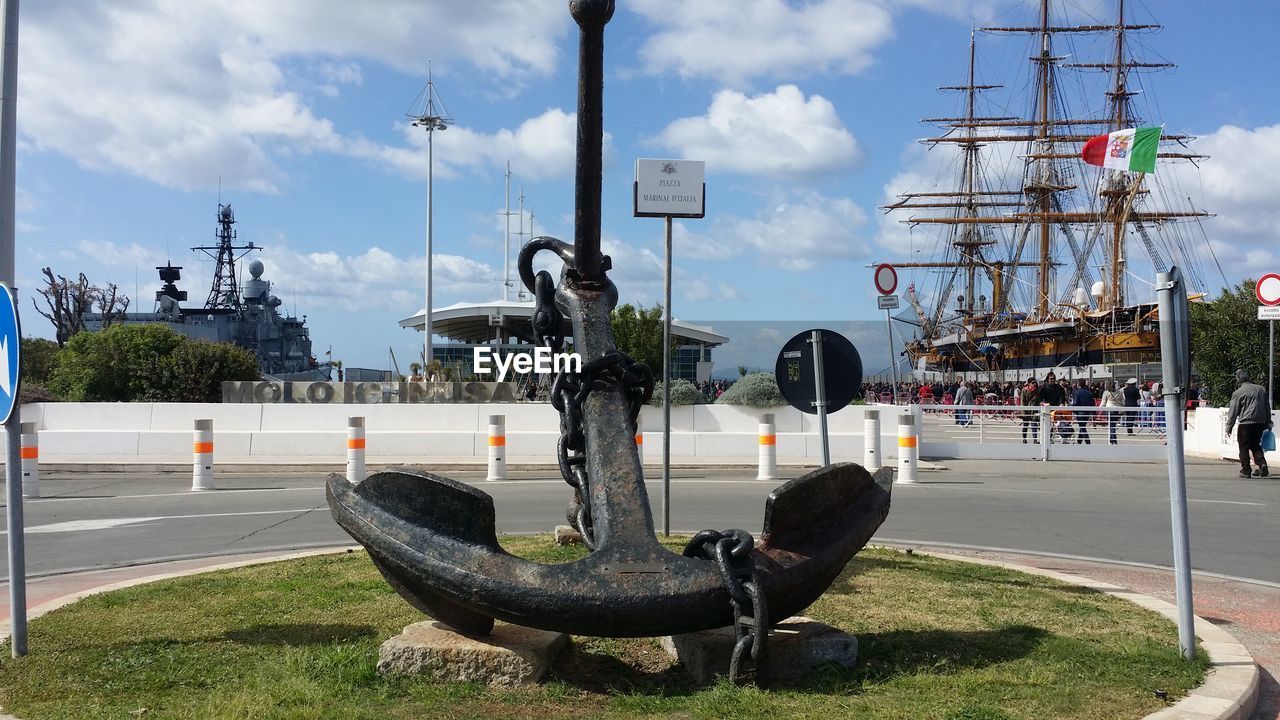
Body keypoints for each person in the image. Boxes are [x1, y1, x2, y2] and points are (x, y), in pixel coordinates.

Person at [1225, 369, 1272, 478]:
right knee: (1256, 445)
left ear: (1238, 379)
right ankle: (1262, 464)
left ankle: (1246, 470)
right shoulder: (1261, 389)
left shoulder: (1238, 393)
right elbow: (1267, 407)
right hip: (1260, 423)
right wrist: (1268, 421)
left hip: (1246, 424)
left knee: (1244, 447)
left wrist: (1229, 426)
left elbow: (1234, 411)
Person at [1020, 378, 1042, 444]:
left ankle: (1035, 439)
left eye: (1035, 382)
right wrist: (1024, 412)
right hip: (1026, 411)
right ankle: (1024, 439)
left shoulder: (1037, 391)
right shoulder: (1024, 390)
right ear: (1029, 383)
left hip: (1034, 411)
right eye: (1032, 382)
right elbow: (1023, 401)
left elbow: (1038, 400)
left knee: (1034, 425)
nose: (1034, 384)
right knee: (1025, 425)